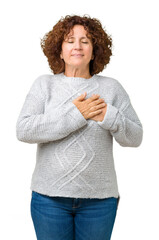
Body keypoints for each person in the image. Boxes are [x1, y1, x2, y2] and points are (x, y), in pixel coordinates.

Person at [16, 14, 143, 240]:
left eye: (85, 41)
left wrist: (109, 116)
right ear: (60, 49)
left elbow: (135, 137)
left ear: (95, 51)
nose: (77, 46)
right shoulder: (44, 85)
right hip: (49, 200)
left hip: (100, 202)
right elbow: (24, 130)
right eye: (70, 40)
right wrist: (77, 115)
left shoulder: (111, 88)